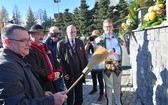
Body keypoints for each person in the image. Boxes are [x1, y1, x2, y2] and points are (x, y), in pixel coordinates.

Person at [0, 24, 67, 105]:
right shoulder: (6, 67)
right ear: (7, 42)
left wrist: (41, 93)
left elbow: (26, 88)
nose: (29, 44)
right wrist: (50, 100)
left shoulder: (19, 57)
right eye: (23, 40)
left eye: (28, 40)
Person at [25, 24, 62, 93]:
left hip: (54, 80)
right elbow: (35, 68)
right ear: (31, 35)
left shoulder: (45, 46)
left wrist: (58, 71)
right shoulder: (29, 50)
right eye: (39, 34)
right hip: (42, 84)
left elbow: (55, 60)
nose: (41, 37)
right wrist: (50, 76)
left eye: (42, 34)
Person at [57, 25, 88, 105]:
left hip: (79, 72)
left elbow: (84, 57)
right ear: (67, 32)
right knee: (70, 94)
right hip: (69, 73)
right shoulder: (61, 44)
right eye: (71, 32)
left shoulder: (80, 42)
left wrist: (86, 69)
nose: (73, 33)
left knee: (79, 93)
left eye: (74, 32)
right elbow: (59, 60)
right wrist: (64, 73)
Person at [95, 18, 123, 105]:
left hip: (117, 62)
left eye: (110, 26)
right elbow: (97, 52)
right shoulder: (99, 39)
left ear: (112, 26)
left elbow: (123, 48)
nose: (108, 28)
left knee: (117, 84)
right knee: (109, 85)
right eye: (106, 27)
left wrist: (114, 50)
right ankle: (109, 103)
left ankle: (118, 102)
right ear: (103, 28)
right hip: (107, 64)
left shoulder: (118, 37)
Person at [44, 26, 65, 92]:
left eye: (57, 33)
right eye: (53, 33)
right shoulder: (46, 43)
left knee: (60, 88)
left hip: (59, 69)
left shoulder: (62, 42)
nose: (55, 35)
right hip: (49, 70)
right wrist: (49, 37)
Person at [85, 30, 104, 101]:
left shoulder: (101, 41)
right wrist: (88, 42)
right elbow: (85, 49)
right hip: (92, 62)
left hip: (99, 62)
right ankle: (94, 88)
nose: (94, 37)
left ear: (99, 35)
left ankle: (101, 93)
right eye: (93, 35)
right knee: (93, 77)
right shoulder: (91, 42)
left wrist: (98, 42)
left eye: (96, 35)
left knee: (100, 78)